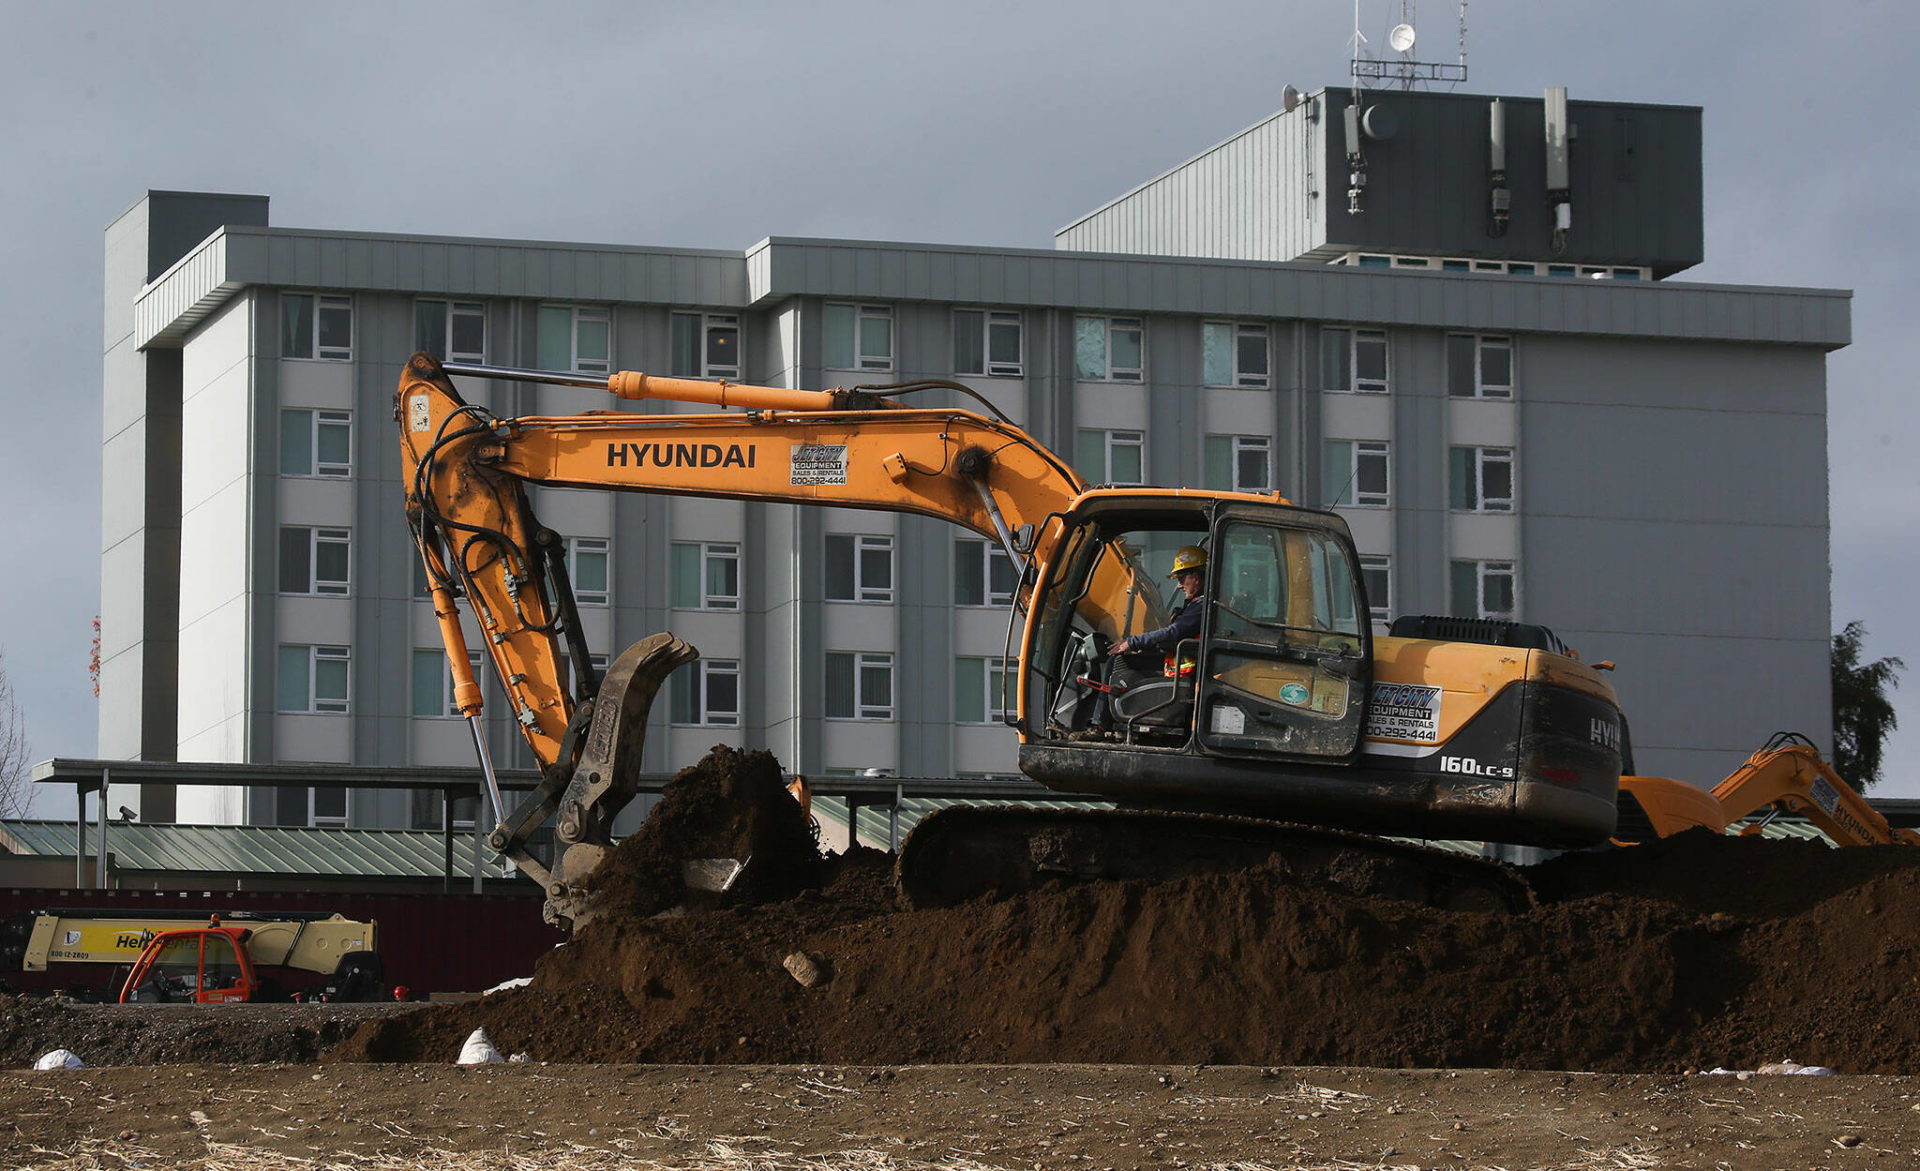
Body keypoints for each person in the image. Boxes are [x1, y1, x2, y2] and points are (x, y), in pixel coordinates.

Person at [1107, 544, 1209, 700]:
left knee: (1117, 663)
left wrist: (1132, 642)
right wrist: (1150, 647)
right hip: (1177, 664)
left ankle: (1100, 722)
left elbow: (1174, 632)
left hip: (1185, 671)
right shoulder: (1197, 604)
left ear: (1195, 578)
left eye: (1182, 579)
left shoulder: (1201, 606)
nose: (1179, 585)